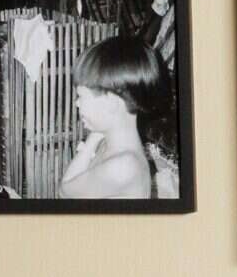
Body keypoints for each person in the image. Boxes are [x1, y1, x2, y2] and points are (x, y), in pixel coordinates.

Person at [58, 36, 175, 200]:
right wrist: (96, 135)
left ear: (112, 103)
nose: (77, 103)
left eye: (81, 96)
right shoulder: (111, 143)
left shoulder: (124, 166)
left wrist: (92, 141)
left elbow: (65, 190)